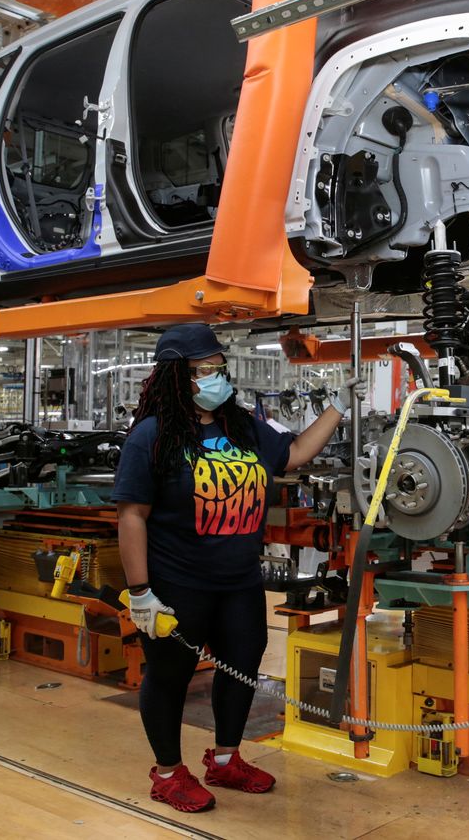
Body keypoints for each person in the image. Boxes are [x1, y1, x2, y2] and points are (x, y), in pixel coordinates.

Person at [113, 324, 358, 813]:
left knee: (241, 668)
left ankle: (226, 759)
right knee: (169, 677)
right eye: (202, 370)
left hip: (240, 582)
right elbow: (132, 515)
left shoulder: (243, 425)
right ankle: (167, 772)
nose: (214, 377)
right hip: (178, 582)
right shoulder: (152, 436)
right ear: (174, 378)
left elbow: (294, 454)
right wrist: (140, 591)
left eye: (218, 368)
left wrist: (340, 406)